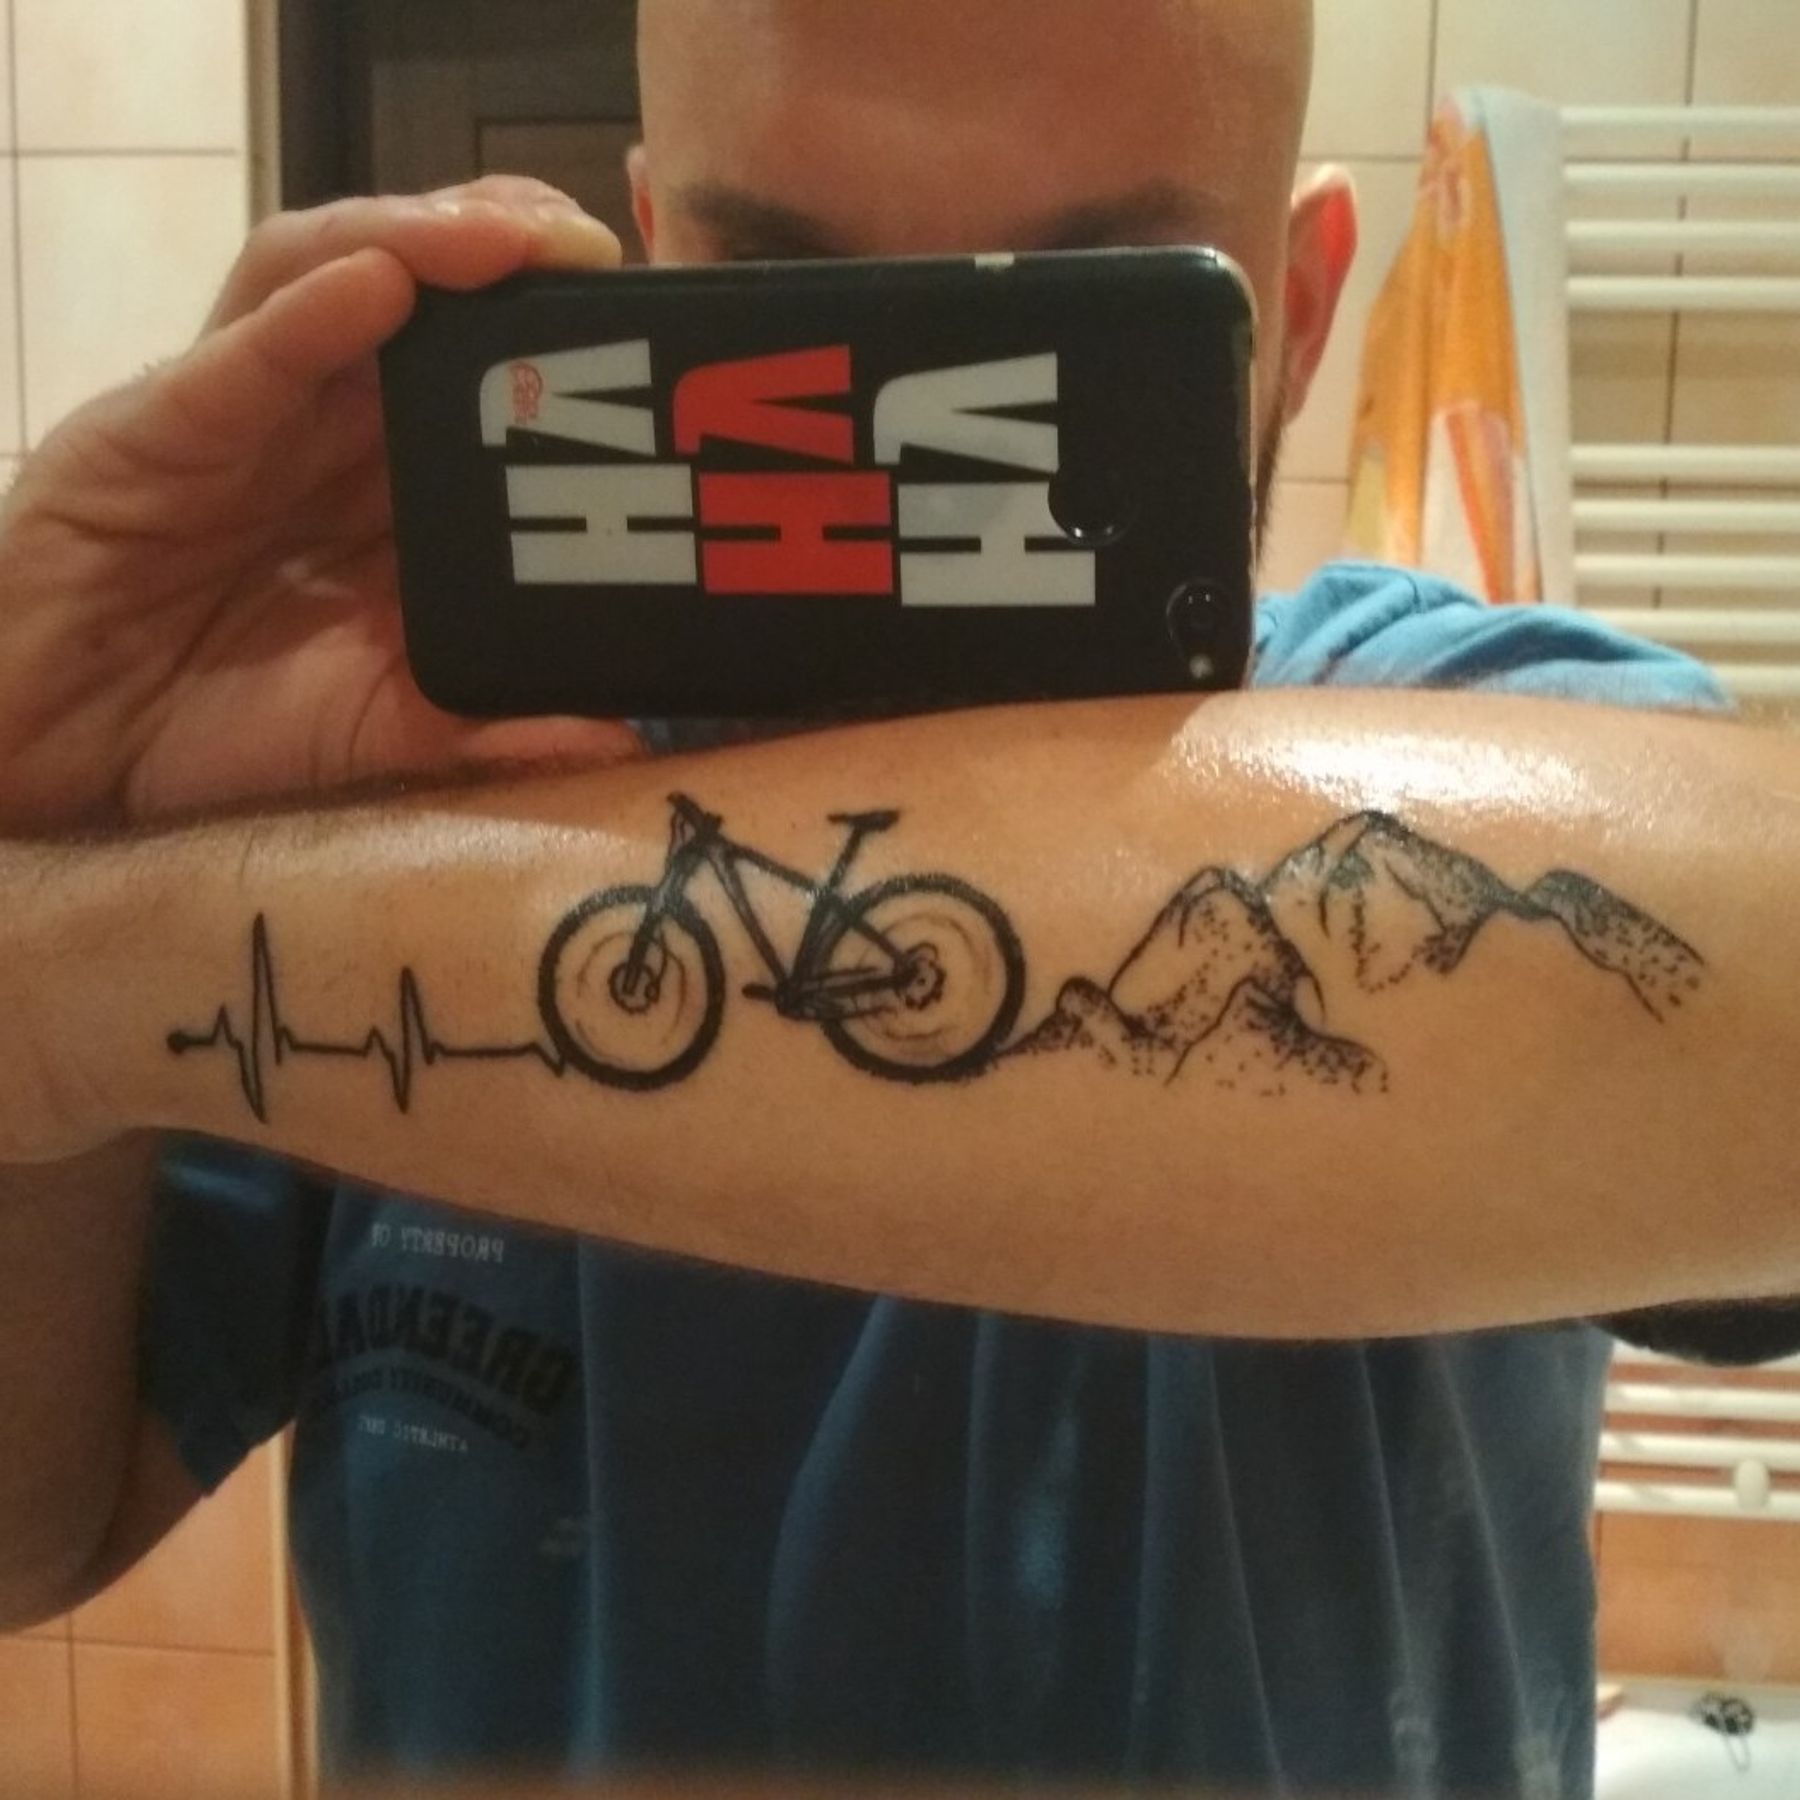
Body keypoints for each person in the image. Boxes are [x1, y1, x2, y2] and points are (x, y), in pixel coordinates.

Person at [2, 2, 1799, 1796]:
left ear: (1299, 309)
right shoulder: (382, 773)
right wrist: (50, 818)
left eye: (1080, 315)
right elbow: (26, 1533)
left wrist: (75, 966)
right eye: (789, 292)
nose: (920, 445)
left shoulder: (1470, 717)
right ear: (650, 247)